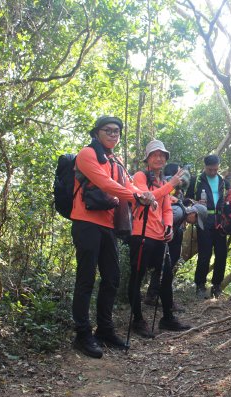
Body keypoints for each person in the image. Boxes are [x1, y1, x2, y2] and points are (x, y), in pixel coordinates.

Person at [70, 116, 156, 358]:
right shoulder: (87, 154)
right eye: (108, 130)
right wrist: (138, 197)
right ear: (97, 133)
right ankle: (82, 334)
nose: (113, 134)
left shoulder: (115, 159)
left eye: (117, 131)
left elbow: (129, 185)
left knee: (112, 278)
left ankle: (105, 330)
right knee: (86, 278)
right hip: (85, 222)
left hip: (107, 225)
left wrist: (145, 195)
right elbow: (105, 184)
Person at [128, 140, 191, 338]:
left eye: (162, 155)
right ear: (147, 158)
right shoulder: (140, 176)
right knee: (137, 278)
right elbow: (146, 197)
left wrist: (169, 226)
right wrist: (171, 185)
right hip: (141, 235)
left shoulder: (163, 183)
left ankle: (167, 318)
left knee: (165, 277)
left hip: (159, 236)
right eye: (155, 154)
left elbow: (166, 209)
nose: (159, 158)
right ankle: (137, 320)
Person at [143, 163, 192, 311]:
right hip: (164, 230)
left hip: (175, 229)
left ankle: (159, 296)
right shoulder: (167, 184)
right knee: (164, 265)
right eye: (179, 172)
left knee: (168, 264)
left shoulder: (178, 188)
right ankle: (154, 296)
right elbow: (161, 202)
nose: (182, 176)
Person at [187, 154, 229, 299]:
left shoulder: (222, 180)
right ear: (205, 167)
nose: (213, 172)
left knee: (221, 254)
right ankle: (200, 285)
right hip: (204, 220)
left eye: (215, 169)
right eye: (210, 169)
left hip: (220, 220)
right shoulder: (197, 180)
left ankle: (216, 285)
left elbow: (228, 199)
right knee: (204, 254)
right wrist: (195, 203)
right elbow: (186, 199)